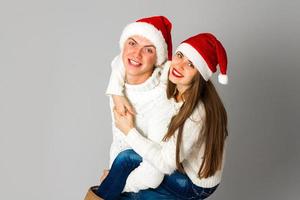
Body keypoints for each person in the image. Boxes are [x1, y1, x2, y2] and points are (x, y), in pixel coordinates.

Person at [86, 33, 229, 200]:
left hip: (194, 184)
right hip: (178, 162)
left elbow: (164, 164)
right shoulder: (172, 70)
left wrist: (128, 132)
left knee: (130, 190)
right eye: (180, 55)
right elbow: (121, 63)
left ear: (200, 75)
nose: (179, 65)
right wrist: (117, 95)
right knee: (126, 172)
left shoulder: (196, 114)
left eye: (191, 64)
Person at [84, 15, 174, 200]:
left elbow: (155, 171)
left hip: (162, 179)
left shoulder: (162, 100)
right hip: (130, 167)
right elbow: (117, 62)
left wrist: (115, 180)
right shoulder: (120, 74)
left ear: (159, 59)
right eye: (132, 43)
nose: (136, 54)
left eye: (148, 50)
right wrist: (116, 93)